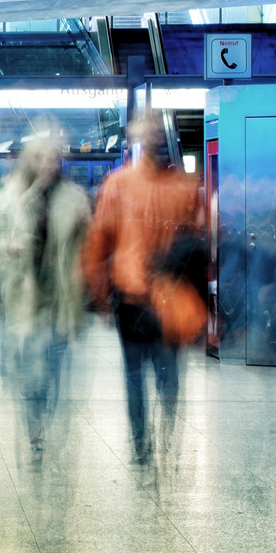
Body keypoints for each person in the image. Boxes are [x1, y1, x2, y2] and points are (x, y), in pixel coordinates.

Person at [82, 113, 204, 461]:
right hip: (156, 296)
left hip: (137, 295)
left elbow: (99, 241)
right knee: (162, 370)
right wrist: (101, 294)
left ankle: (143, 444)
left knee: (137, 372)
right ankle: (157, 434)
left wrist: (101, 296)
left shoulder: (121, 184)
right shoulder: (180, 185)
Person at [0, 132, 91, 456]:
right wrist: (3, 260)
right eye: (40, 158)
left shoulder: (74, 199)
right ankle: (34, 421)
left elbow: (88, 245)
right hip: (24, 294)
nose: (48, 165)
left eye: (53, 158)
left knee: (52, 367)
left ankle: (42, 410)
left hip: (61, 295)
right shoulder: (6, 197)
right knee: (32, 367)